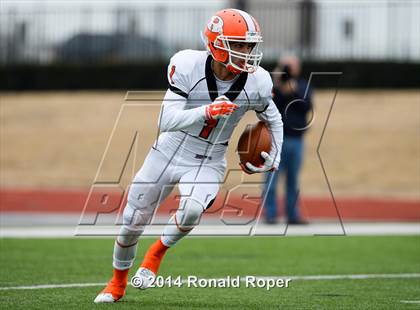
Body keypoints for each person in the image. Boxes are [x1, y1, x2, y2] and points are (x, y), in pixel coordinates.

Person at [94, 8, 283, 303]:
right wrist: (205, 111)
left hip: (208, 158)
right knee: (132, 221)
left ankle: (155, 255)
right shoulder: (187, 65)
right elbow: (165, 120)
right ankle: (117, 284)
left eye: (250, 45)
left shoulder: (258, 81)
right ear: (217, 44)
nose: (247, 52)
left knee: (193, 210)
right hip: (168, 150)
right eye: (239, 45)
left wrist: (276, 155)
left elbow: (274, 119)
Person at [263, 55, 313, 225]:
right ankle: (270, 214)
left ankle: (293, 215)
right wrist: (276, 84)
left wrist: (293, 90)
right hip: (275, 140)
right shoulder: (273, 87)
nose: (288, 70)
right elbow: (267, 105)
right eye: (285, 66)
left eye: (291, 67)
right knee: (271, 180)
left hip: (296, 140)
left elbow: (306, 106)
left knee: (293, 180)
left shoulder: (303, 86)